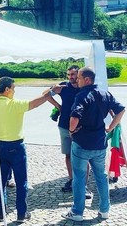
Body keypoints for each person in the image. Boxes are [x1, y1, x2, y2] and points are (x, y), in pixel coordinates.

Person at [61, 67, 125, 222]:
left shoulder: (82, 95)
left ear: (87, 79)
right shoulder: (105, 93)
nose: (77, 80)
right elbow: (121, 110)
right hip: (99, 143)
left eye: (79, 78)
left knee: (79, 178)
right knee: (101, 177)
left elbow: (74, 118)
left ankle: (77, 212)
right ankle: (104, 210)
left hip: (81, 143)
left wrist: (71, 130)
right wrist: (111, 127)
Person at [0, 77, 54, 223]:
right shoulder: (14, 104)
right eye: (13, 89)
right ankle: (21, 213)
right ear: (7, 89)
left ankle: (1, 212)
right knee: (21, 181)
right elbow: (35, 103)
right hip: (16, 146)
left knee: (0, 181)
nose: (14, 91)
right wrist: (51, 92)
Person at [48, 65, 92, 198]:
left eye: (73, 74)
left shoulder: (84, 88)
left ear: (79, 75)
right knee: (68, 155)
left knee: (84, 157)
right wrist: (58, 106)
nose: (71, 77)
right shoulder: (64, 87)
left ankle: (83, 184)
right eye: (69, 75)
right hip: (64, 126)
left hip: (81, 128)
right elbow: (46, 95)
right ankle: (72, 179)